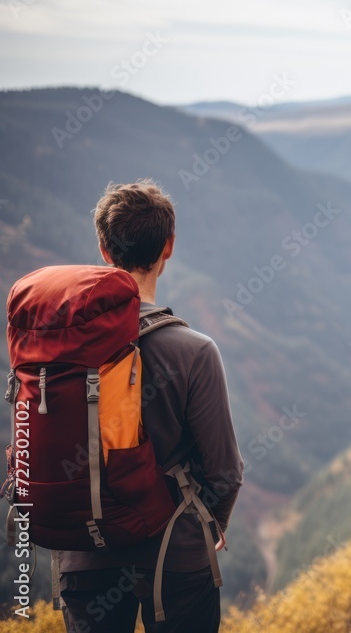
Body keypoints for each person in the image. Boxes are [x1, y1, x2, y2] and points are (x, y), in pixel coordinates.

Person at [59, 181, 243, 632]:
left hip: (84, 551)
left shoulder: (60, 348)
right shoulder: (194, 351)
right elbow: (225, 471)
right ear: (169, 247)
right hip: (174, 555)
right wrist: (207, 526)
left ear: (104, 249)